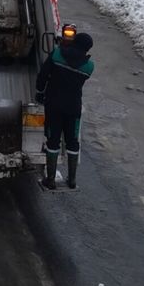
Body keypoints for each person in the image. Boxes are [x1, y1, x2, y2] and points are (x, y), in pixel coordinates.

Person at [35, 32, 95, 190]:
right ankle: (72, 180)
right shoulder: (89, 67)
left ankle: (50, 180)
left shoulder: (57, 55)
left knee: (53, 140)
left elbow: (43, 74)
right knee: (72, 141)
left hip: (54, 105)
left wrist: (40, 92)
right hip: (73, 107)